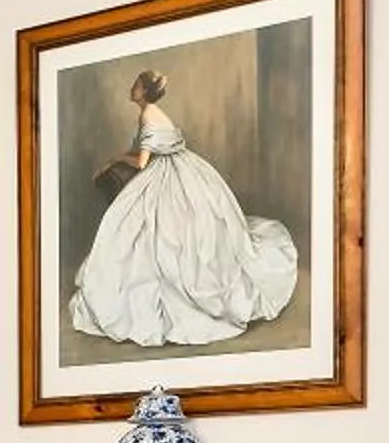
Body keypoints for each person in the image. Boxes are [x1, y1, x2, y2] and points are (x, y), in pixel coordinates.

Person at [66, 69, 300, 348]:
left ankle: (171, 295)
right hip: (180, 166)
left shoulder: (148, 114)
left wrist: (115, 159)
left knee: (157, 235)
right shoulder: (153, 112)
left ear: (143, 91)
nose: (132, 88)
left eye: (136, 85)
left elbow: (141, 163)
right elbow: (148, 151)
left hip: (168, 174)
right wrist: (114, 159)